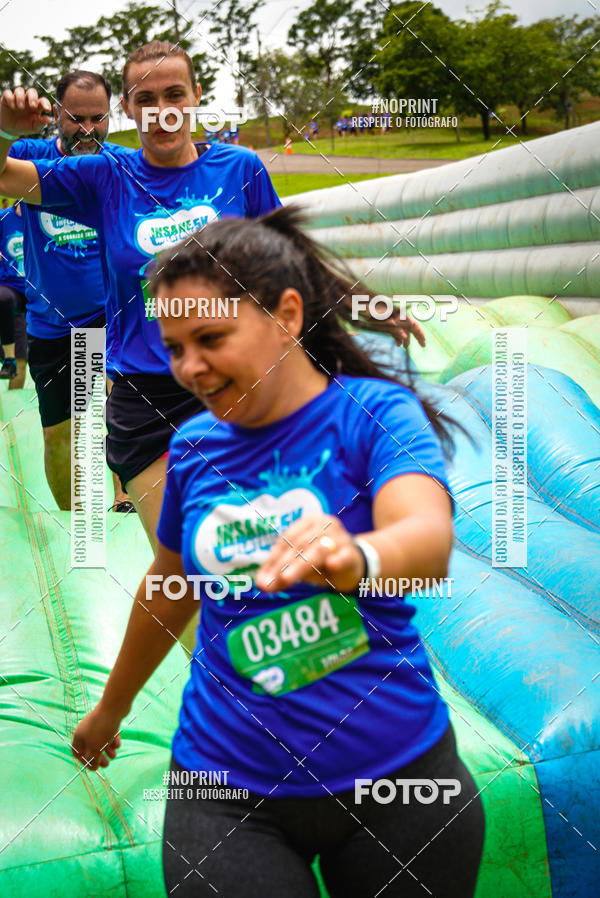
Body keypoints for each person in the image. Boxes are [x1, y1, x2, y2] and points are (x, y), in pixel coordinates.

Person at [70, 207, 485, 897]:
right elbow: (170, 585)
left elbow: (426, 536)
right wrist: (111, 708)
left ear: (287, 315)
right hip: (226, 786)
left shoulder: (373, 413)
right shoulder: (193, 448)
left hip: (399, 779)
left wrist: (357, 557)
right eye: (174, 347)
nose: (190, 368)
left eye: (211, 338)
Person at [0, 42, 281, 547]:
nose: (162, 111)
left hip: (233, 385)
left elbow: (292, 263)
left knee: (247, 553)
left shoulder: (240, 168)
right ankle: (79, 538)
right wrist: (2, 129)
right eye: (146, 99)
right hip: (141, 395)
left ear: (197, 96)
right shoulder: (105, 175)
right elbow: (4, 176)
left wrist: (360, 303)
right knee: (186, 556)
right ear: (129, 108)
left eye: (175, 94)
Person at [2, 70, 132, 510]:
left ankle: (124, 498)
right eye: (77, 118)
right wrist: (5, 130)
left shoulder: (122, 163)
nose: (88, 129)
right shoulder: (29, 154)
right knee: (59, 436)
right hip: (51, 324)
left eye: (98, 118)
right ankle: (70, 523)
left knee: (121, 413)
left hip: (111, 315)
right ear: (57, 113)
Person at [0, 200, 26, 387]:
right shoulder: (4, 218)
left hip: (41, 293)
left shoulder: (46, 218)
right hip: (11, 289)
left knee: (23, 361)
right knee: (3, 298)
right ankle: (9, 360)